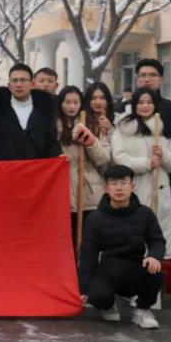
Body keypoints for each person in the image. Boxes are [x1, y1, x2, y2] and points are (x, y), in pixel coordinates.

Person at [78, 165, 165, 329]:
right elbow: (88, 255)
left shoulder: (145, 214)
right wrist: (84, 289)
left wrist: (154, 256)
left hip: (136, 266)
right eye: (114, 183)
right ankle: (108, 306)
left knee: (155, 271)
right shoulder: (95, 219)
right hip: (109, 270)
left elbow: (157, 240)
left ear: (132, 186)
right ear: (106, 188)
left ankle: (143, 310)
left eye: (124, 183)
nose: (119, 188)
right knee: (97, 295)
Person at [111, 88, 171, 246]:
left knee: (161, 233)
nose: (145, 106)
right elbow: (118, 157)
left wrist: (164, 154)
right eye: (140, 102)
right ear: (134, 104)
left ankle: (160, 259)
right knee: (134, 234)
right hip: (134, 190)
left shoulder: (164, 129)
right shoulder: (123, 128)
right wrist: (146, 163)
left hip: (161, 192)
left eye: (149, 102)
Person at [58, 85, 111, 247]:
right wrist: (56, 159)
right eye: (67, 102)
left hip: (89, 188)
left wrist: (91, 142)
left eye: (76, 102)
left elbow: (104, 158)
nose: (72, 106)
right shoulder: (53, 127)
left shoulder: (92, 125)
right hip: (63, 187)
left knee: (89, 240)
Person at [0, 63, 61, 160]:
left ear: (32, 84)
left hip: (37, 167)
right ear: (9, 85)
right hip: (6, 167)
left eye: (23, 80)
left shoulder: (44, 110)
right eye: (15, 81)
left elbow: (51, 142)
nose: (18, 85)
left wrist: (58, 156)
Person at [117, 58, 171, 124]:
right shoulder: (123, 108)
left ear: (161, 80)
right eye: (143, 75)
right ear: (137, 80)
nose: (147, 79)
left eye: (152, 75)